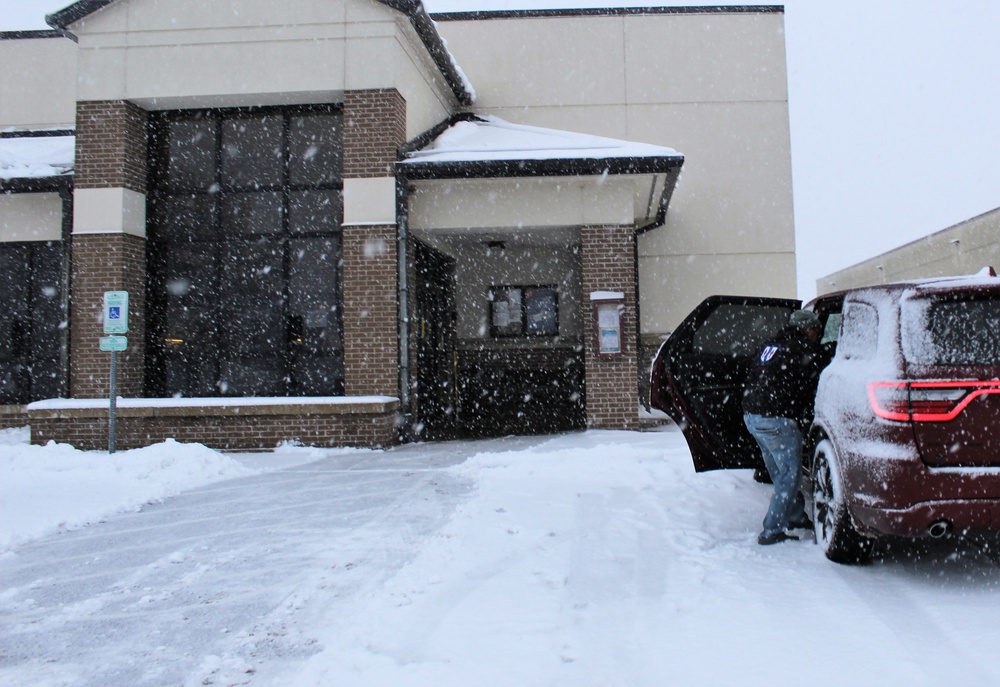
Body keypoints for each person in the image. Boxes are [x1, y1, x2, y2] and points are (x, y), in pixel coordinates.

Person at [743, 309, 824, 545]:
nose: (816, 336)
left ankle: (795, 516)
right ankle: (771, 531)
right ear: (808, 329)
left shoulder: (770, 346)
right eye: (815, 331)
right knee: (790, 476)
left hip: (752, 416)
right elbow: (811, 384)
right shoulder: (801, 349)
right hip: (776, 419)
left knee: (781, 473)